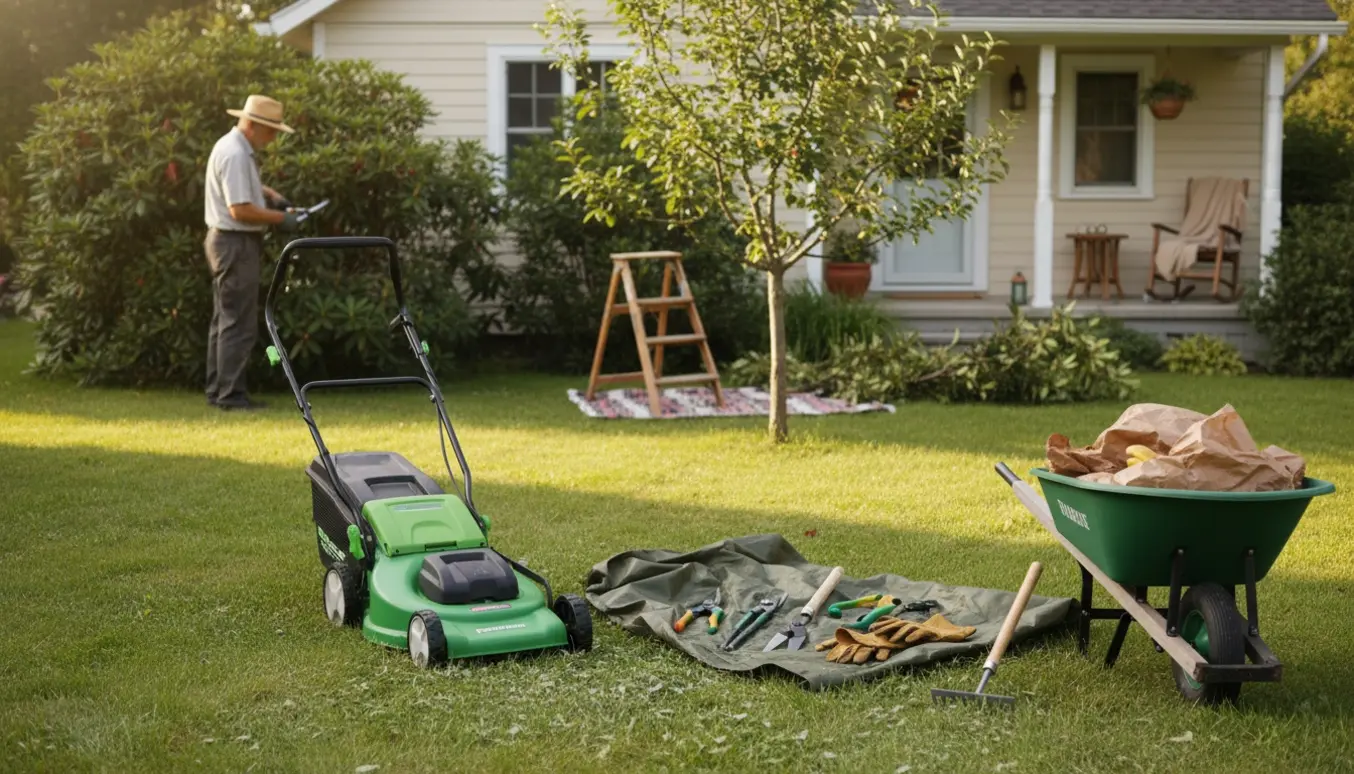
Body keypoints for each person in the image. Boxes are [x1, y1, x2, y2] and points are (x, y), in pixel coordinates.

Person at [203, 94, 298, 411]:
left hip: (227, 242)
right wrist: (282, 219)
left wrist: (271, 195)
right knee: (238, 322)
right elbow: (240, 209)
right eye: (271, 131)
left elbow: (243, 191)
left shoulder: (233, 148)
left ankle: (218, 390)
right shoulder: (236, 154)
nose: (272, 139)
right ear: (254, 125)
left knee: (225, 319)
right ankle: (231, 396)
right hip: (236, 243)